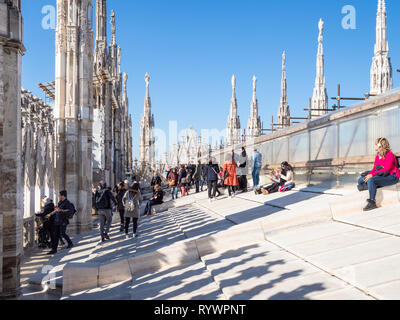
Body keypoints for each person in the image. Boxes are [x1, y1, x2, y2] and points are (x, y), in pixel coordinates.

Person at [357, 138, 400, 211]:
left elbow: (386, 169)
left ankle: (372, 202)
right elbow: (374, 169)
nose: (374, 146)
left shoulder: (389, 155)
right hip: (382, 175)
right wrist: (369, 174)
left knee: (371, 180)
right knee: (360, 180)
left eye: (375, 144)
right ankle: (375, 185)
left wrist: (372, 175)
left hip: (392, 176)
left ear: (380, 146)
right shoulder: (378, 156)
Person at [46, 190, 74, 255]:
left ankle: (70, 243)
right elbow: (56, 210)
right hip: (57, 221)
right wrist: (50, 214)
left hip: (63, 221)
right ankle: (54, 249)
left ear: (63, 196)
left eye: (60, 195)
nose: (59, 196)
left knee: (62, 233)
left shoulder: (67, 202)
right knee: (55, 235)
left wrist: (60, 210)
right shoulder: (60, 202)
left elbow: (68, 211)